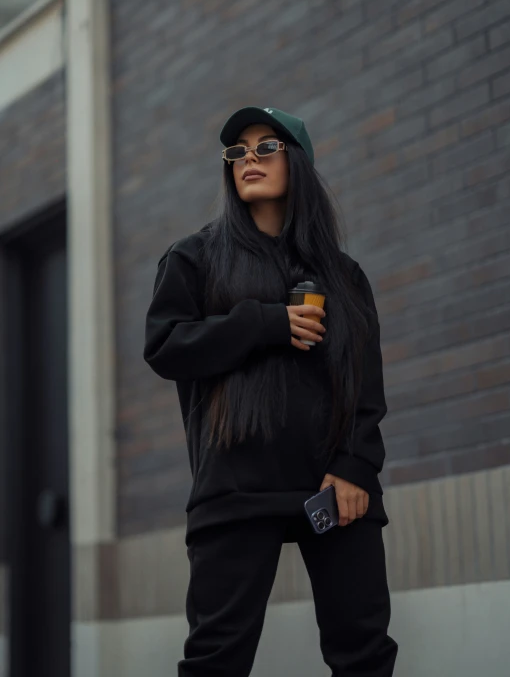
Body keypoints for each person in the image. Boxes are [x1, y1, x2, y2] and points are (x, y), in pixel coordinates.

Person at [143, 106, 398, 676]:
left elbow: (365, 382)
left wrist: (356, 465)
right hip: (236, 485)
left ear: (298, 162)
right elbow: (165, 347)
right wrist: (265, 323)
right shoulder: (194, 259)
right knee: (216, 659)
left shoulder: (343, 274)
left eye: (266, 147)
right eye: (237, 152)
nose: (248, 160)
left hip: (335, 486)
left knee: (364, 654)